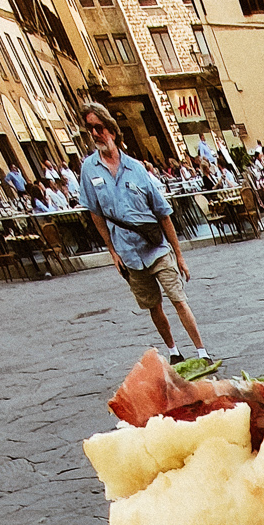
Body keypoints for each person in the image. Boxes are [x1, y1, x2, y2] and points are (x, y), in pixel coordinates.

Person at [78, 101, 209, 366]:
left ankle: (201, 351)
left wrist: (179, 255)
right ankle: (173, 351)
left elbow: (163, 212)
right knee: (153, 305)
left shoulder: (137, 168)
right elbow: (96, 214)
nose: (94, 134)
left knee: (178, 298)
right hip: (128, 253)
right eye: (90, 129)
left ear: (112, 130)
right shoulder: (88, 169)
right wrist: (112, 251)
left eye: (99, 127)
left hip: (155, 246)